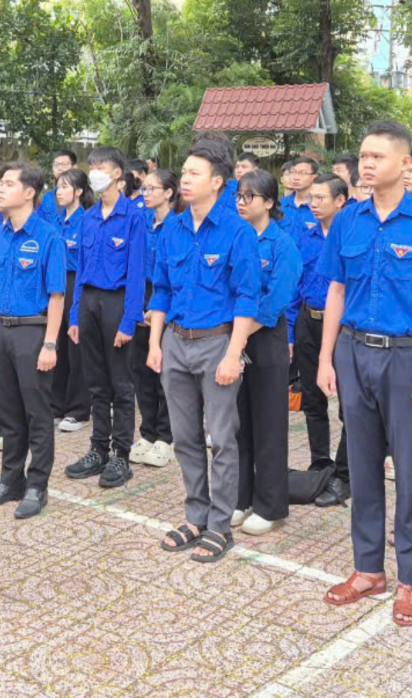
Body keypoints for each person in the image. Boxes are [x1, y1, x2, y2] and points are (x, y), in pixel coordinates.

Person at [315, 120, 412, 629]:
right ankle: (367, 569)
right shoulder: (349, 220)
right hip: (354, 353)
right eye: (363, 156)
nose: (366, 164)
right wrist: (326, 357)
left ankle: (409, 580)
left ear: (404, 164)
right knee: (364, 463)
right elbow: (334, 291)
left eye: (377, 156)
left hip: (407, 357)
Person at [148, 143, 259, 563]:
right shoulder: (172, 229)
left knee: (222, 439)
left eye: (196, 173)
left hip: (217, 343)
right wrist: (156, 344)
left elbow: (248, 297)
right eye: (185, 173)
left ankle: (219, 525)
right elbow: (160, 289)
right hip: (175, 341)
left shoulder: (237, 232)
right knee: (184, 437)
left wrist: (234, 354)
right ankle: (195, 516)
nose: (186, 180)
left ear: (218, 182)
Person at [0, 162, 66, 519]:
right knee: (8, 412)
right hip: (2, 333)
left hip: (33, 331)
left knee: (37, 413)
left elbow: (57, 296)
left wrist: (50, 344)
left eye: (8, 183)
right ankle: (9, 481)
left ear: (29, 192)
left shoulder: (48, 236)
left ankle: (37, 485)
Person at [64, 147, 147, 489]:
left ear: (117, 174)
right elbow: (81, 270)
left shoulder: (133, 217)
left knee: (121, 385)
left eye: (101, 167)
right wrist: (73, 316)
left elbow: (138, 271)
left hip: (117, 302)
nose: (94, 171)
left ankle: (121, 455)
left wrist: (129, 321)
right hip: (89, 303)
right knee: (96, 382)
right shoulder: (88, 217)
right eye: (92, 166)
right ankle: (98, 448)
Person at [232, 170, 301, 536]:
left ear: (270, 202)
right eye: (239, 196)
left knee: (269, 425)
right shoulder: (235, 238)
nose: (242, 203)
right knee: (238, 423)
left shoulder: (281, 245)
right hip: (235, 340)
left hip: (264, 338)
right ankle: (240, 499)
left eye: (250, 197)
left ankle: (270, 505)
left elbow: (274, 301)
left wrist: (240, 336)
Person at [291, 174, 351, 507]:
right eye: (311, 199)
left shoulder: (353, 236)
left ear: (340, 201)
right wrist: (290, 330)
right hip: (308, 322)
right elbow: (294, 285)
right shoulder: (306, 236)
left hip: (342, 329)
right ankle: (320, 463)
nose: (313, 204)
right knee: (312, 398)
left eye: (320, 199)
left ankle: (344, 474)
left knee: (348, 403)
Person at [128, 168, 180, 468]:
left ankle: (166, 437)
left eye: (151, 189)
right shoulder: (141, 222)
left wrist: (161, 308)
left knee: (164, 372)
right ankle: (147, 432)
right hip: (140, 294)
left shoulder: (178, 226)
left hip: (167, 297)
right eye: (143, 188)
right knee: (141, 370)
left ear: (169, 193)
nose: (145, 194)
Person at [51, 169, 92, 433]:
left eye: (65, 187)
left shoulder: (87, 220)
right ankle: (57, 405)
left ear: (78, 191)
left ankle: (78, 410)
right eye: (57, 187)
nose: (59, 191)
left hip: (77, 282)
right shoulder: (56, 221)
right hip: (56, 285)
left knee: (76, 347)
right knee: (56, 345)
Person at [278, 156, 318, 236]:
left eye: (302, 173)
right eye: (293, 172)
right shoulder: (280, 204)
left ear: (313, 177)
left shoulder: (319, 206)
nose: (296, 177)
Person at [38, 149, 78, 221]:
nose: (59, 168)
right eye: (56, 165)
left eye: (64, 164)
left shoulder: (83, 194)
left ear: (74, 167)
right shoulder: (47, 198)